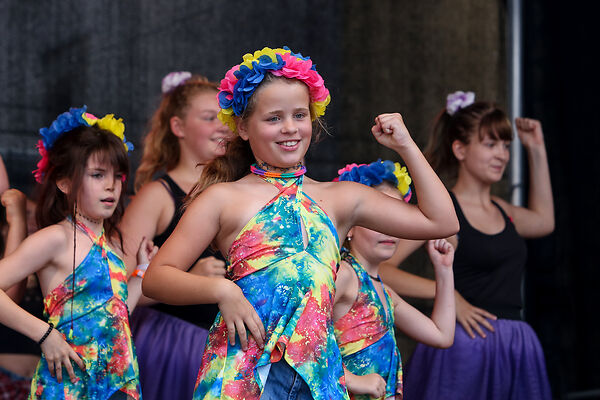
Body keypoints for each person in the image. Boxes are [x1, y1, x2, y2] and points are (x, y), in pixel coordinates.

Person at [141, 46, 459, 400]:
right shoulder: (222, 198)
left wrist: (406, 145)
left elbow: (441, 220)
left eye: (300, 115)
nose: (290, 128)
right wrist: (222, 290)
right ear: (243, 127)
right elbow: (157, 277)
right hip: (241, 377)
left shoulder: (340, 198)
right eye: (273, 118)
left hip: (318, 379)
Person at [379, 91, 554, 399]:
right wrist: (448, 296)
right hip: (464, 347)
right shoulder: (443, 212)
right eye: (490, 144)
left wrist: (536, 150)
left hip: (515, 344)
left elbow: (543, 221)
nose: (502, 154)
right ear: (459, 149)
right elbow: (383, 270)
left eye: (505, 145)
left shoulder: (503, 210)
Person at [0, 107, 156, 400]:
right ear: (65, 183)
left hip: (118, 383)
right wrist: (44, 334)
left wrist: (143, 270)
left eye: (118, 176)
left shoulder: (111, 244)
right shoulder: (56, 237)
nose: (111, 185)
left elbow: (117, 313)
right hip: (68, 385)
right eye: (97, 175)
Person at [121, 71, 233, 400]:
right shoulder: (158, 196)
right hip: (172, 345)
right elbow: (118, 291)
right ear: (178, 127)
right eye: (209, 117)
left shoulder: (238, 192)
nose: (222, 126)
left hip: (225, 348)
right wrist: (187, 279)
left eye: (226, 117)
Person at [332, 160, 455, 400]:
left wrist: (444, 270)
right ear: (350, 226)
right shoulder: (345, 276)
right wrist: (352, 379)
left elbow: (441, 335)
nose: (389, 229)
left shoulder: (385, 293)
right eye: (378, 219)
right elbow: (301, 335)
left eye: (394, 219)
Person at [0, 189, 42, 400]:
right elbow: (7, 297)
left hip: (38, 383)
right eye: (26, 213)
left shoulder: (46, 272)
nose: (31, 221)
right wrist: (17, 220)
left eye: (36, 215)